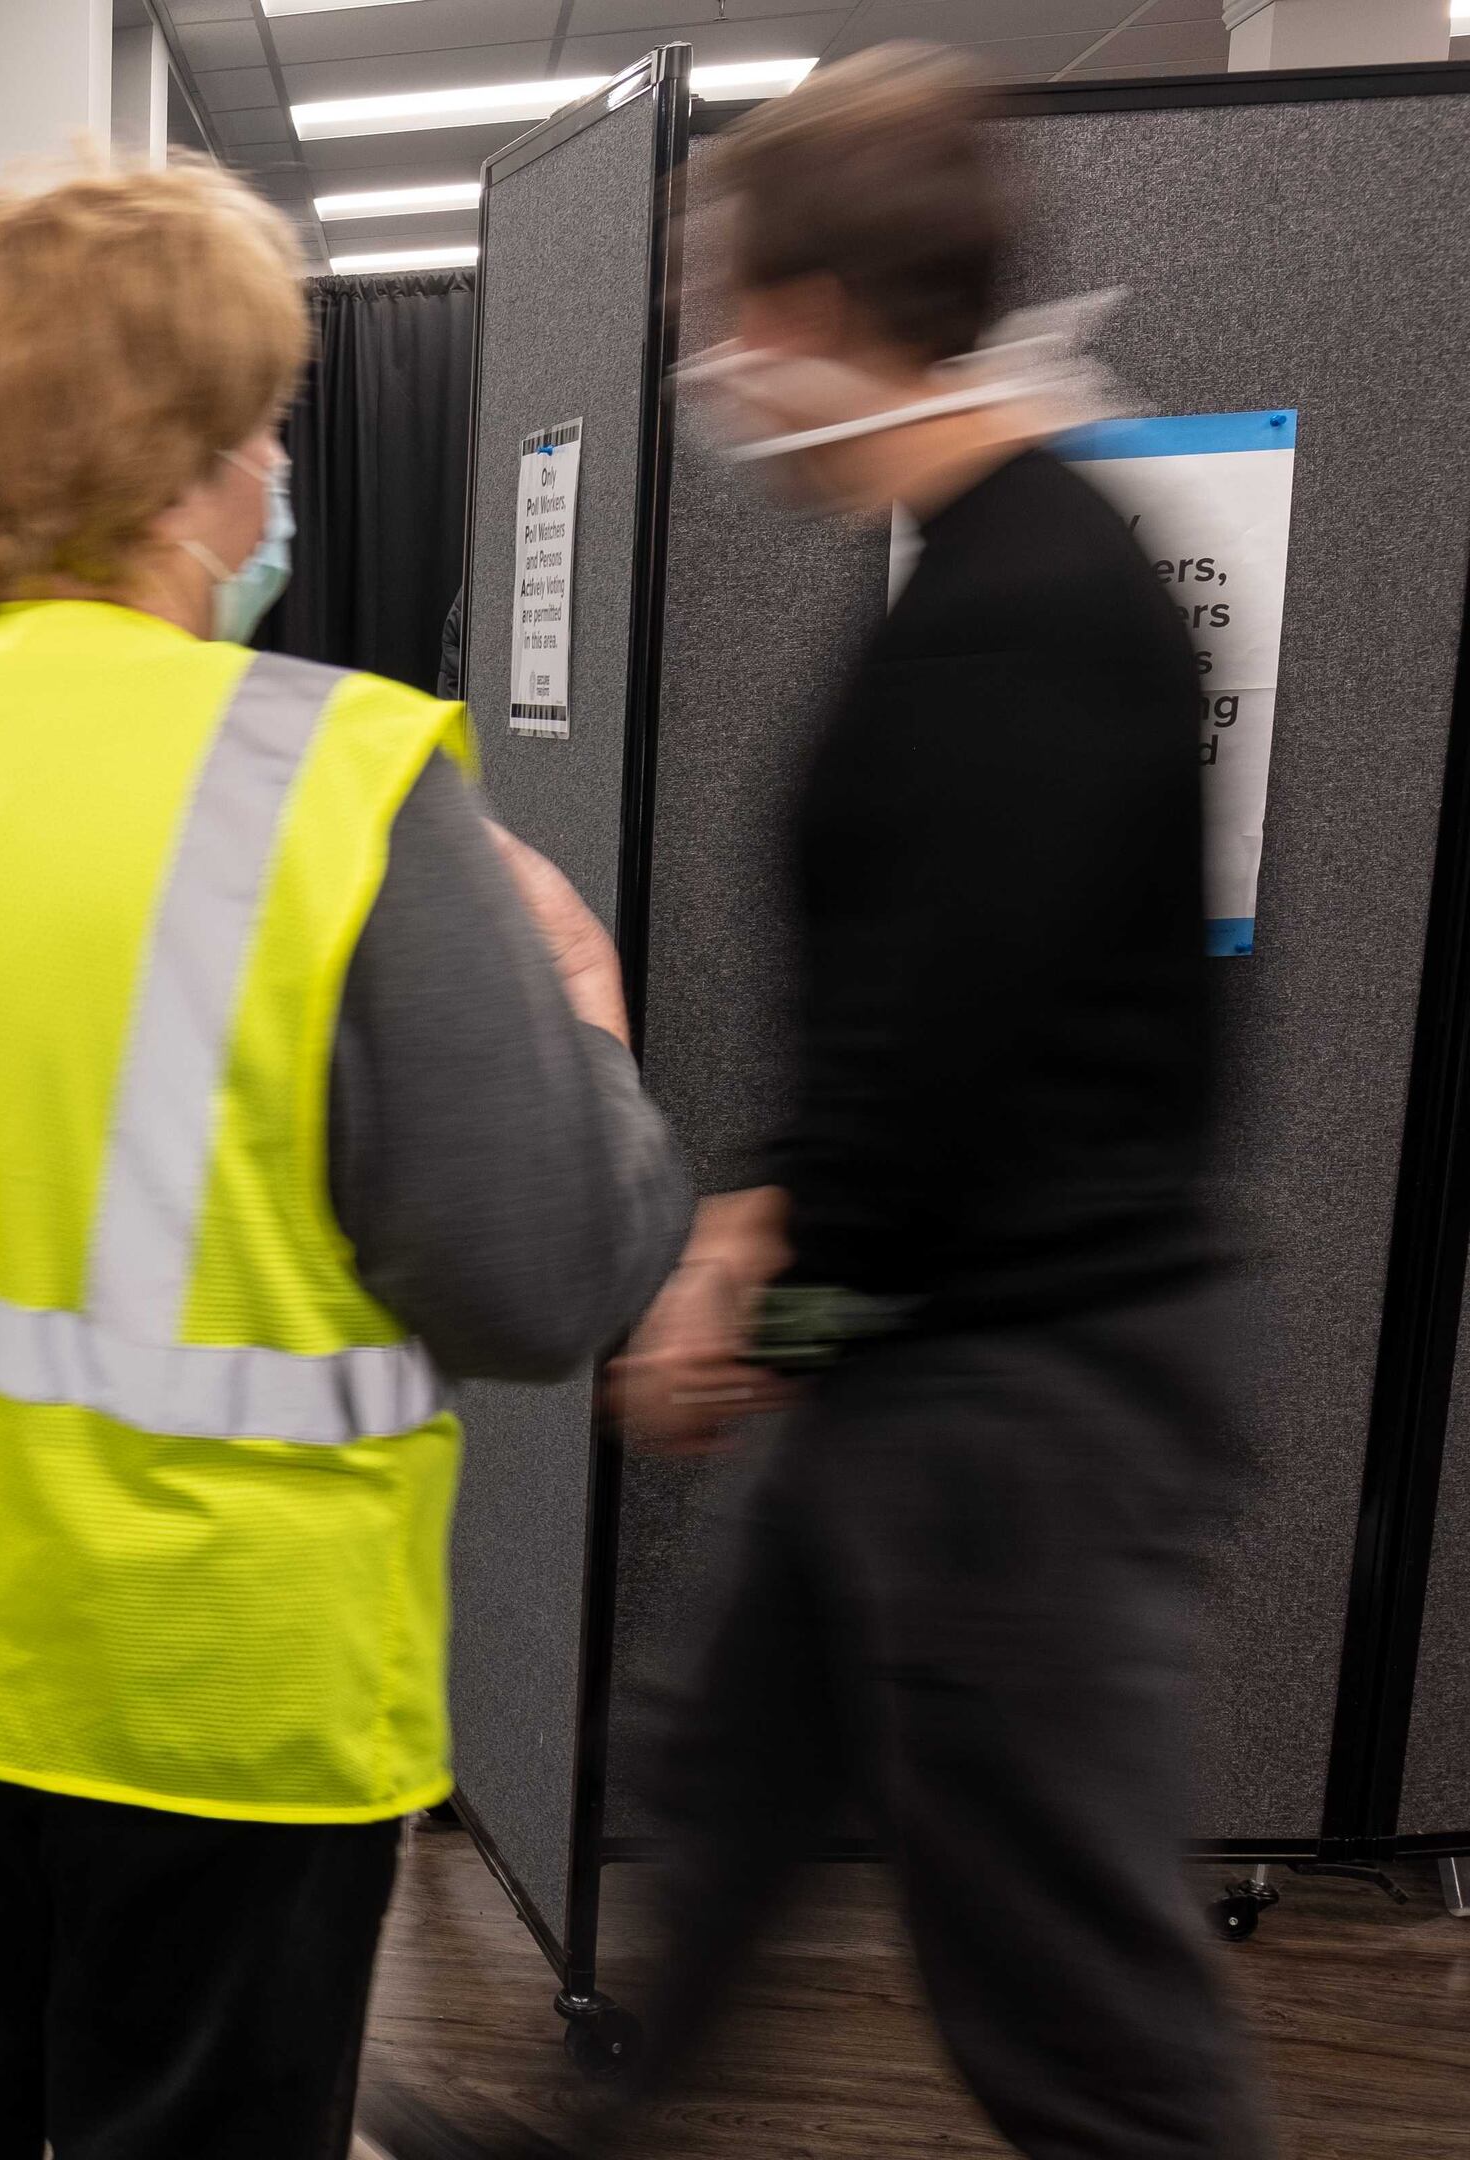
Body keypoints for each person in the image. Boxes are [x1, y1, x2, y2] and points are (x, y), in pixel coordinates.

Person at [0, 160, 689, 2159]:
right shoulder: (335, 780)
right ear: (185, 465)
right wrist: (592, 1023)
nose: (277, 472)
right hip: (212, 1700)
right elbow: (540, 1277)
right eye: (261, 424)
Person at [371, 48, 1263, 2160]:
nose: (713, 366)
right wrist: (776, 1238)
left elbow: (956, 1080)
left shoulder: (1027, 606)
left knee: (1070, 1991)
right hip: (952, 1353)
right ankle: (603, 2131)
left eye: (722, 314)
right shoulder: (1004, 560)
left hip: (1028, 1390)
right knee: (737, 1779)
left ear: (823, 310)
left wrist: (755, 1295)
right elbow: (936, 1006)